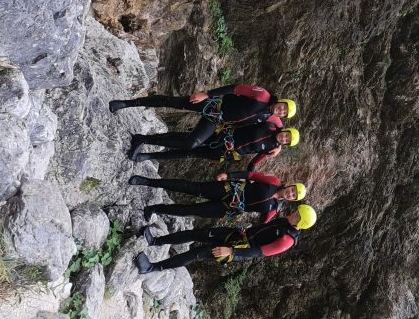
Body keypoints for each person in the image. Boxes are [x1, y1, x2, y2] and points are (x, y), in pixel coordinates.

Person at [108, 85, 297, 159]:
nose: (280, 110)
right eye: (283, 107)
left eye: (284, 113)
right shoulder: (262, 95)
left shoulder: (270, 117)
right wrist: (206, 94)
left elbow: (281, 131)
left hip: (217, 120)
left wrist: (279, 147)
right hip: (215, 104)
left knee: (192, 143)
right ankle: (127, 103)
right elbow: (235, 88)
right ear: (280, 101)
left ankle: (142, 139)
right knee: (175, 102)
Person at [134, 205, 317, 274]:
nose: (293, 214)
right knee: (197, 233)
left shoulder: (287, 240)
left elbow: (259, 252)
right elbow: (265, 226)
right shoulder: (286, 222)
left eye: (297, 216)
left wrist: (232, 252)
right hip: (238, 234)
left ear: (301, 223)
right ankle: (155, 241)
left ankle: (151, 268)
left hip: (238, 249)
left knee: (197, 253)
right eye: (296, 212)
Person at [128, 170, 306, 220]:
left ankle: (154, 209)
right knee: (191, 187)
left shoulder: (274, 209)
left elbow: (262, 224)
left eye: (293, 196)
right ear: (290, 185)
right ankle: (147, 181)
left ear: (292, 200)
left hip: (228, 208)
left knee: (192, 210)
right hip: (229, 189)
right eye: (292, 190)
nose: (290, 194)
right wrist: (229, 175)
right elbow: (251, 175)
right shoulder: (273, 181)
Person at [129, 122, 300, 165]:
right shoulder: (270, 125)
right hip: (225, 135)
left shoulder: (272, 148)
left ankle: (149, 156)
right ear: (285, 130)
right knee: (188, 140)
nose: (284, 138)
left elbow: (256, 160)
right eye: (286, 135)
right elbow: (248, 120)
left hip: (227, 153)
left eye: (286, 141)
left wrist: (251, 172)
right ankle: (145, 139)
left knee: (190, 154)